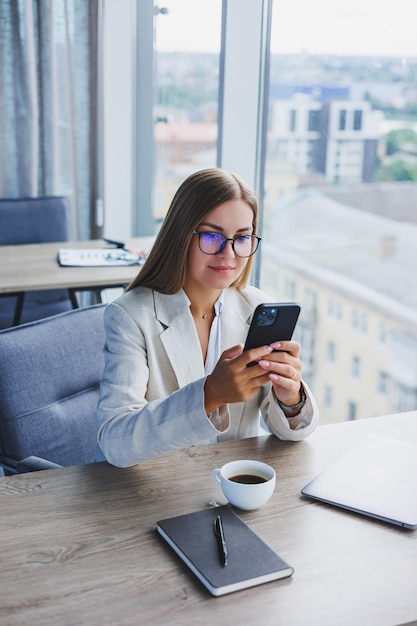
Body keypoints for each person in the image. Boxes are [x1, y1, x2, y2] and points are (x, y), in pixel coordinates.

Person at [96, 168, 319, 467]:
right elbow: (115, 441)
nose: (228, 255)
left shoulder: (257, 309)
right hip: (159, 492)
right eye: (212, 236)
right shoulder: (130, 317)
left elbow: (289, 433)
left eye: (242, 238)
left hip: (232, 489)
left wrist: (291, 398)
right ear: (180, 236)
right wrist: (209, 395)